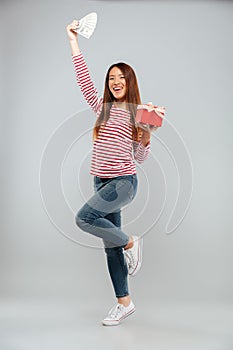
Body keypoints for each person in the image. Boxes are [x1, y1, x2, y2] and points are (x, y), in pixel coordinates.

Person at [66, 19, 156, 326]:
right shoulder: (102, 106)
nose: (115, 81)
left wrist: (147, 135)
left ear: (130, 81)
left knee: (84, 219)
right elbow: (83, 79)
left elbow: (141, 157)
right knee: (110, 246)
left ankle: (131, 242)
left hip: (123, 182)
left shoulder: (138, 112)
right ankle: (124, 303)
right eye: (111, 78)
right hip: (100, 180)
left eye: (121, 78)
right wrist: (73, 40)